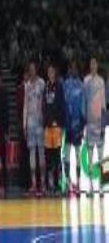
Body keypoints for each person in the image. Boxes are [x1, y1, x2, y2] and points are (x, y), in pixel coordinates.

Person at [84, 57, 106, 197]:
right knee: (90, 157)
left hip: (99, 123)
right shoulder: (85, 81)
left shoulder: (101, 81)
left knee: (101, 157)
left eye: (95, 64)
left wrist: (103, 124)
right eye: (91, 64)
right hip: (89, 123)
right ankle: (91, 187)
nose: (93, 66)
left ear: (97, 66)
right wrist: (84, 122)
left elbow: (103, 103)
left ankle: (102, 187)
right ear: (89, 66)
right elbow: (84, 102)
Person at [23, 61, 46, 196]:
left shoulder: (42, 83)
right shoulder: (27, 85)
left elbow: (45, 102)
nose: (32, 71)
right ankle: (33, 183)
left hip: (40, 122)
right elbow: (25, 106)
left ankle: (42, 183)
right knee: (32, 152)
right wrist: (24, 124)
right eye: (30, 69)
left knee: (41, 152)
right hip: (30, 123)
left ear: (36, 70)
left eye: (33, 68)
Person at [62, 60, 85, 197]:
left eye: (76, 68)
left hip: (77, 125)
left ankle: (79, 183)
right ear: (69, 69)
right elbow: (63, 104)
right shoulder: (65, 84)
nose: (74, 70)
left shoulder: (81, 85)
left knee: (77, 154)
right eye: (72, 68)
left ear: (77, 70)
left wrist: (82, 123)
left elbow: (83, 105)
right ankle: (67, 183)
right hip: (67, 125)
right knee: (66, 154)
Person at [43, 65, 65, 197]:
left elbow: (61, 105)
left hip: (56, 127)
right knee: (49, 157)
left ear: (55, 73)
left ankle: (58, 185)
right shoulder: (46, 87)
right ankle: (50, 185)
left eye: (52, 71)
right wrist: (45, 122)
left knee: (57, 157)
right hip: (47, 127)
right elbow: (44, 106)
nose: (50, 73)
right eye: (49, 72)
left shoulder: (59, 86)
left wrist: (60, 123)